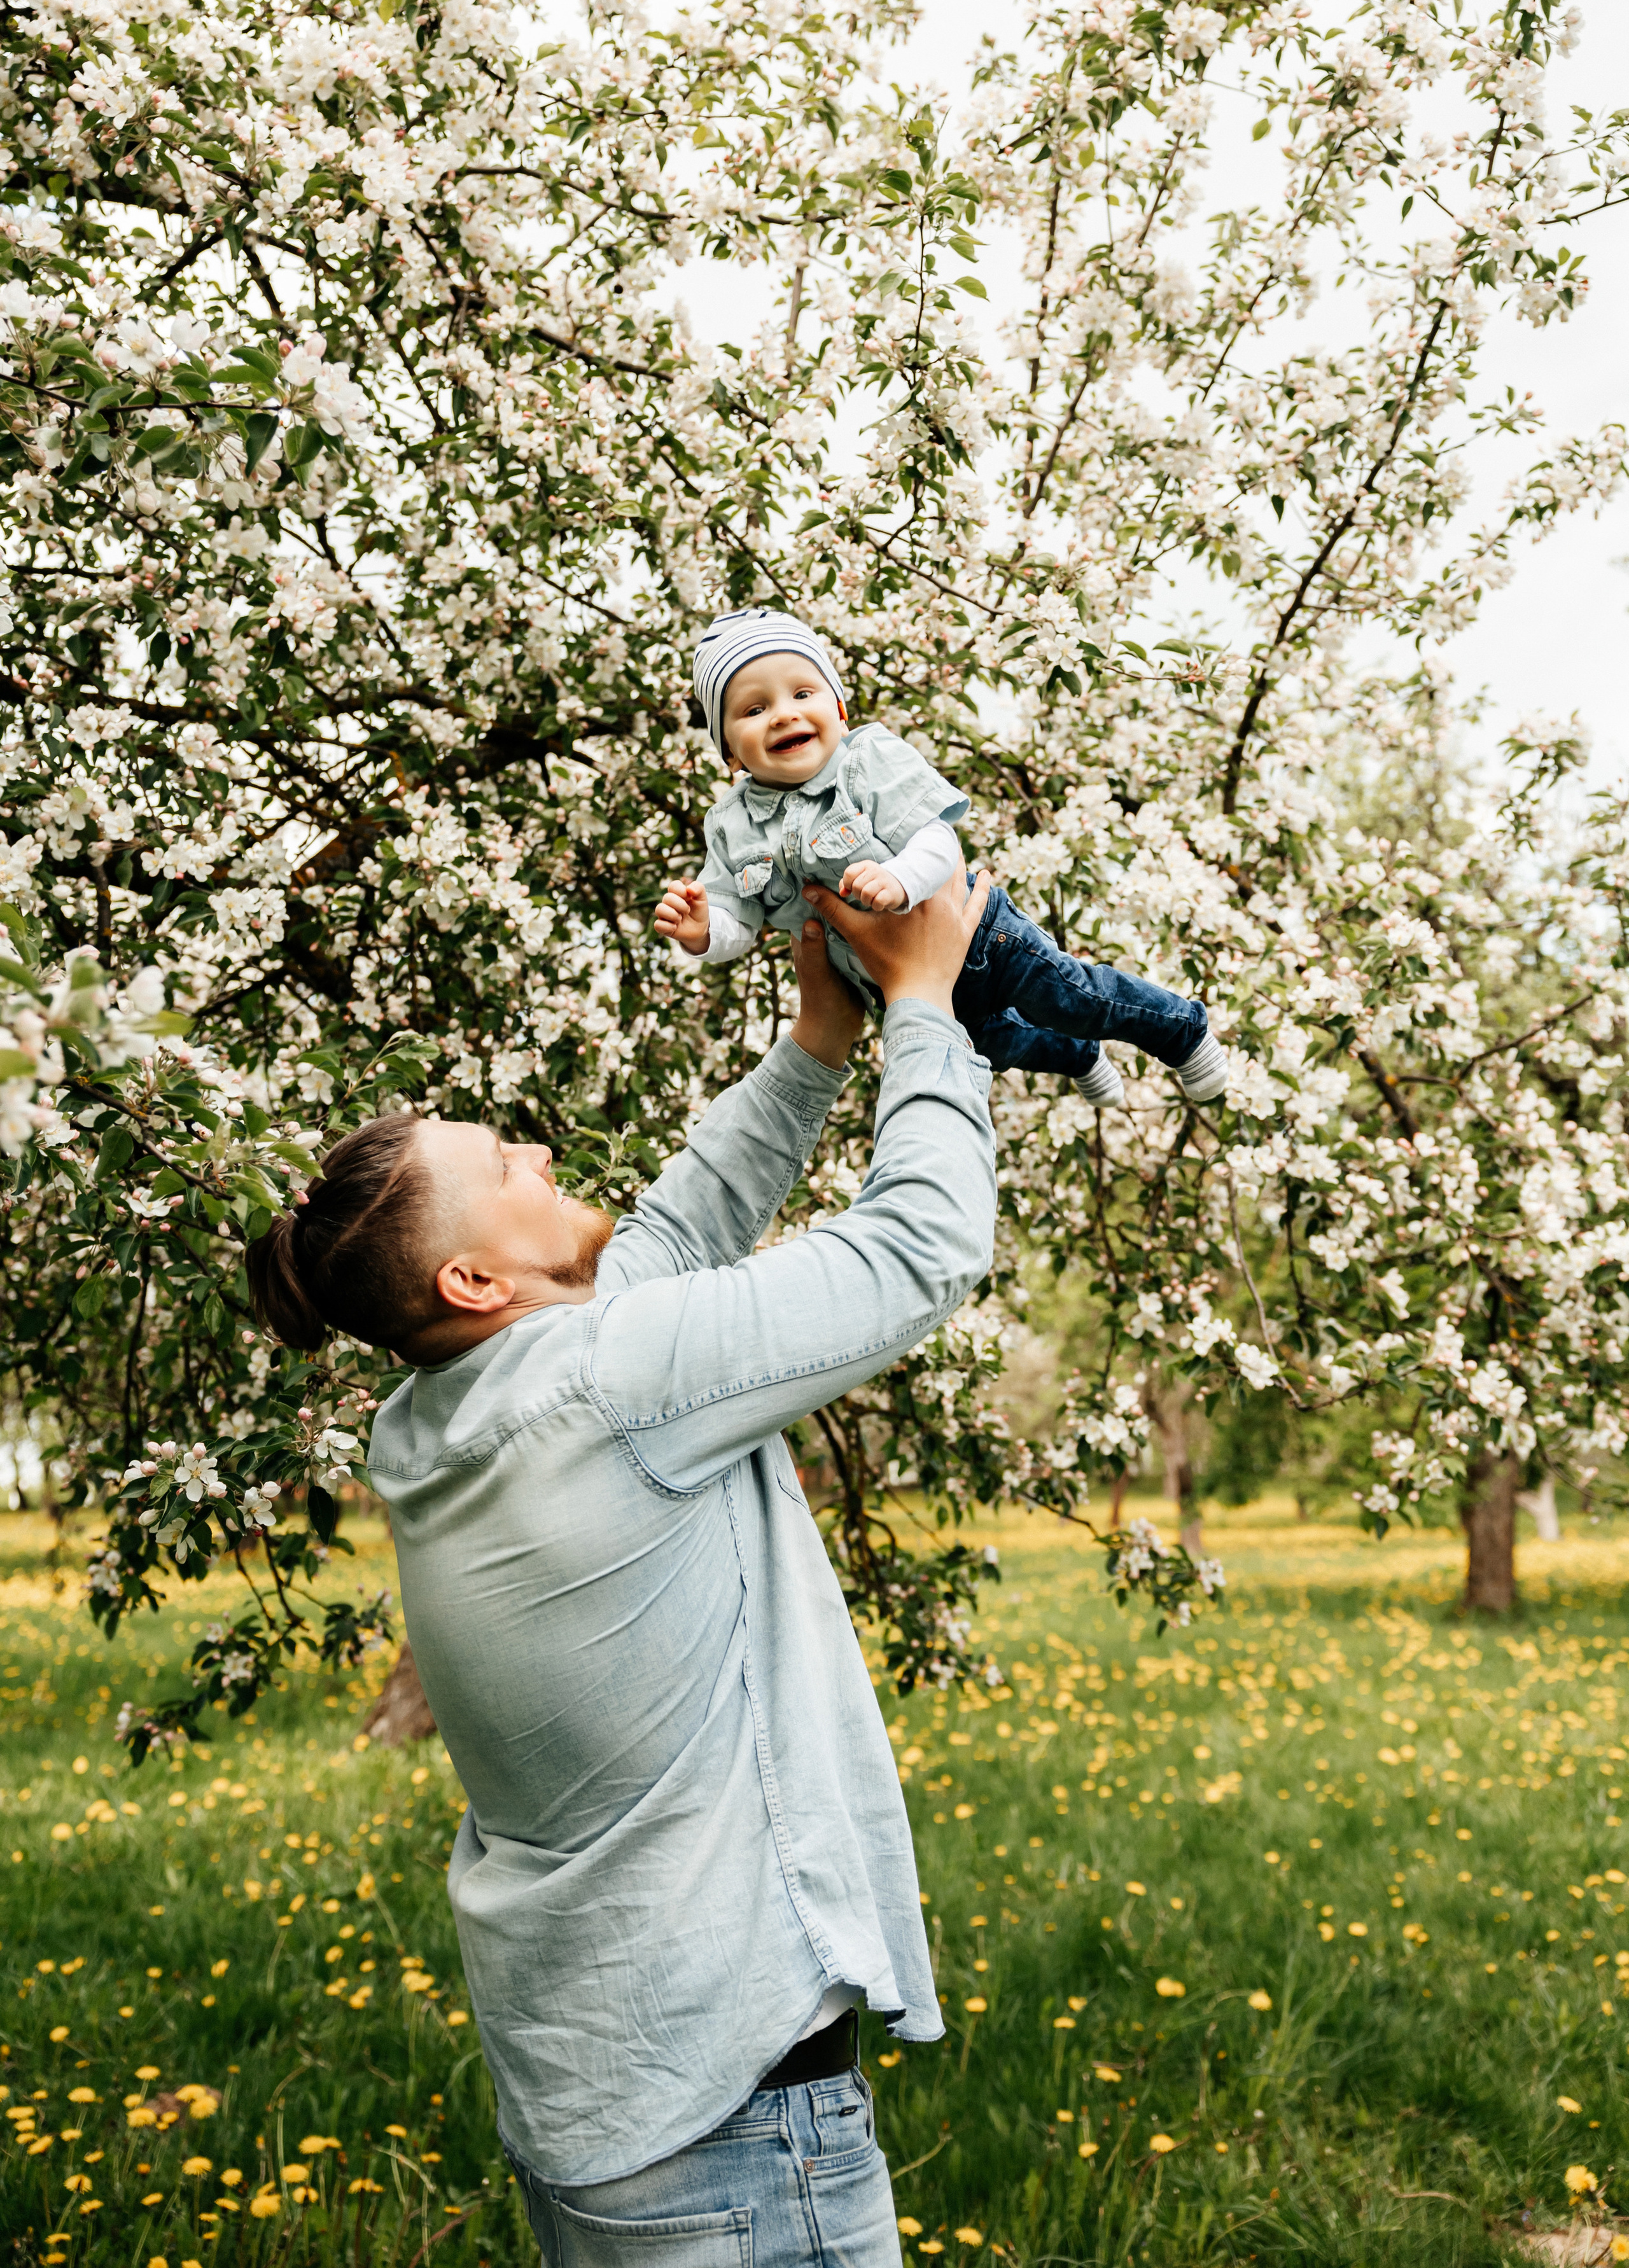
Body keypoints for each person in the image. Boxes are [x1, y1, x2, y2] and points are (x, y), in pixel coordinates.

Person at [246, 871, 998, 2268]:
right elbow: (919, 1248)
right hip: (732, 2129)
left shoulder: (438, 1420)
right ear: (476, 1283)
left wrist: (812, 1048)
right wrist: (924, 1002)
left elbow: (655, 1247)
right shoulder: (603, 1386)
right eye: (505, 1166)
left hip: (606, 2115)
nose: (534, 1150)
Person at [656, 604, 1229, 1110]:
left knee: (1074, 997)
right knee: (996, 1045)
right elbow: (740, 921)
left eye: (802, 694)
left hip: (978, 935)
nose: (783, 714)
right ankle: (1076, 1057)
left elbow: (938, 842)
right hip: (891, 980)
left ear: (839, 708)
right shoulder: (731, 826)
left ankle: (1181, 1030)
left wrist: (901, 879)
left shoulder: (868, 760)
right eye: (754, 709)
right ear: (729, 751)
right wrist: (705, 931)